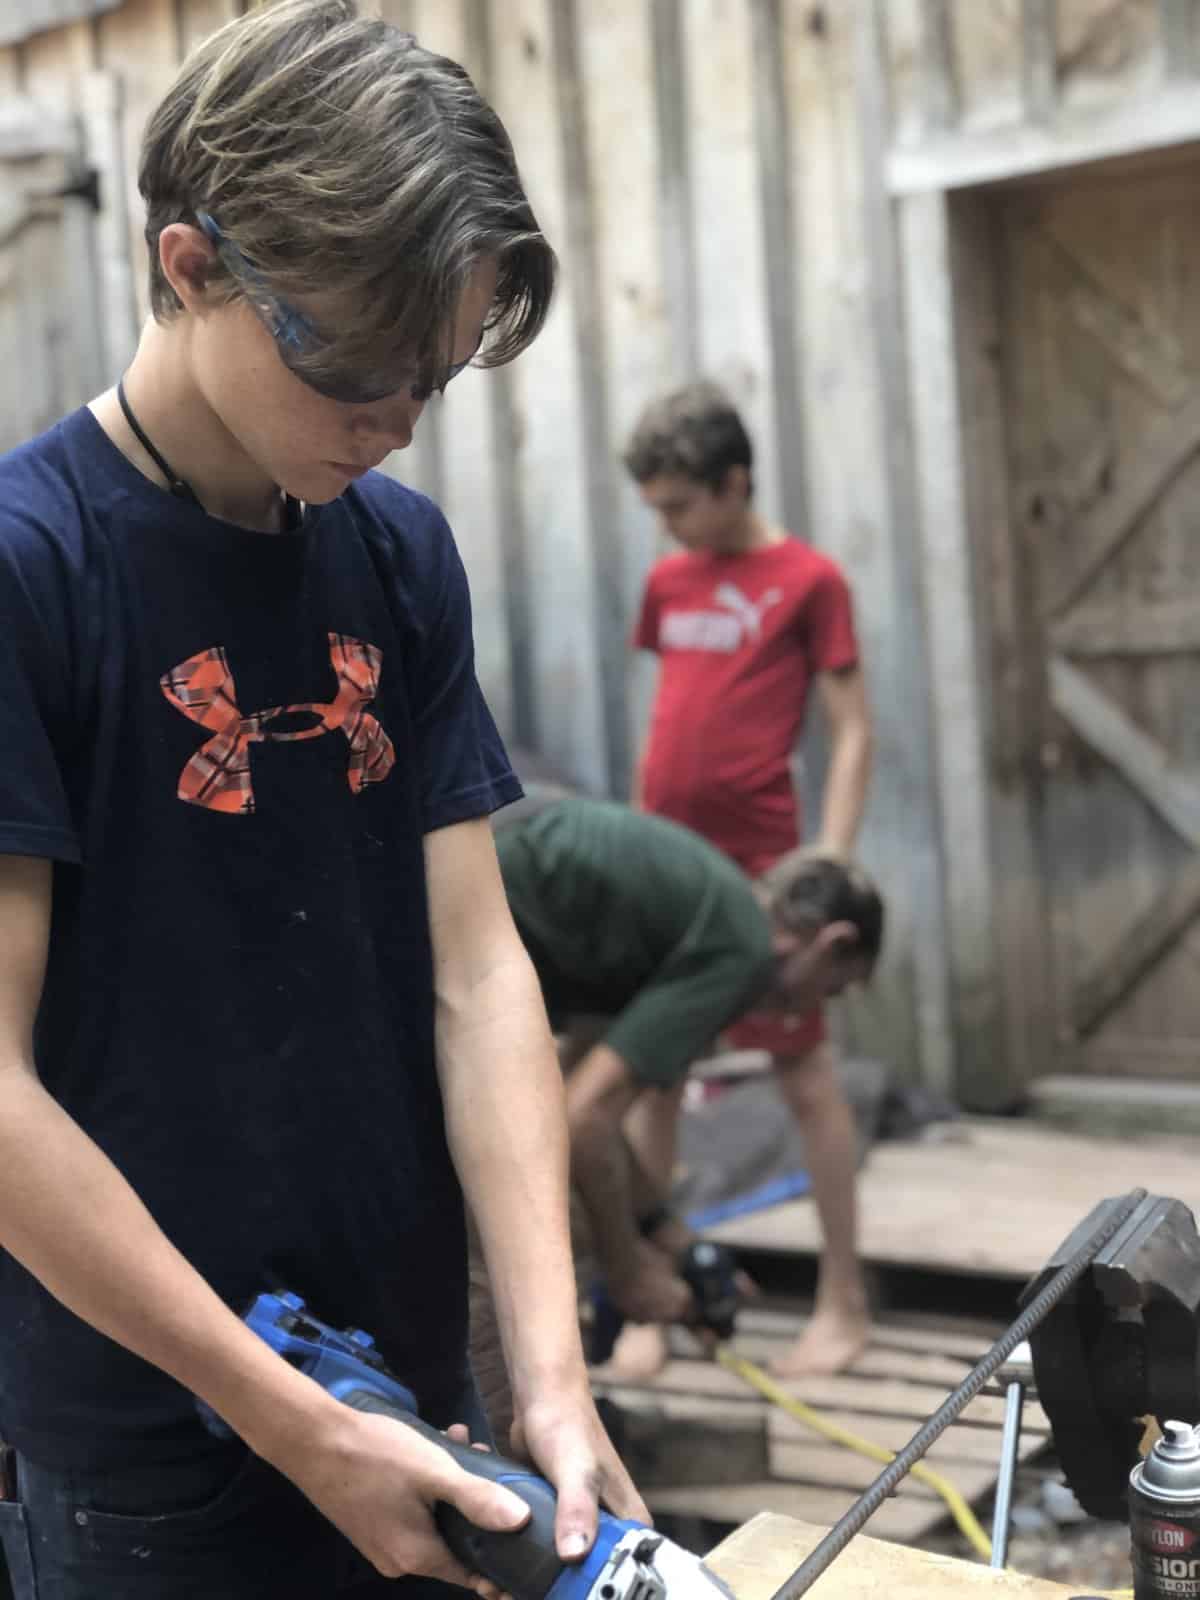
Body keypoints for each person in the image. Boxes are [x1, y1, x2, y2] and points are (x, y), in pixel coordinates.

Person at [0, 5, 643, 1596]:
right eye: (358, 370)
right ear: (190, 265)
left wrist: (548, 1373)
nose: (397, 424)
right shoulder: (33, 574)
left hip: (408, 1393)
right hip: (161, 1445)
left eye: (433, 378)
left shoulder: (398, 557)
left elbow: (479, 971)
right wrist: (279, 1416)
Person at [623, 380, 875, 1381]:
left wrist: (830, 860)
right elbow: (672, 716)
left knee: (804, 1075)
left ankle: (844, 1298)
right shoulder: (671, 581)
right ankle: (643, 1290)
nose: (671, 526)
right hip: (667, 860)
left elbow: (854, 730)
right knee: (651, 1069)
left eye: (683, 504)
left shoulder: (808, 579)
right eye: (657, 510)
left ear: (736, 481)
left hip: (767, 867)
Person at [479, 796, 882, 1418]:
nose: (811, 1011)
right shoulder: (741, 951)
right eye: (834, 988)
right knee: (548, 1218)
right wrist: (628, 1269)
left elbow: (580, 1104)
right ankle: (510, 1445)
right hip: (446, 935)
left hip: (463, 909)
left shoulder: (713, 910)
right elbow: (586, 1121)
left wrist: (667, 1234)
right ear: (830, 943)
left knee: (561, 1186)